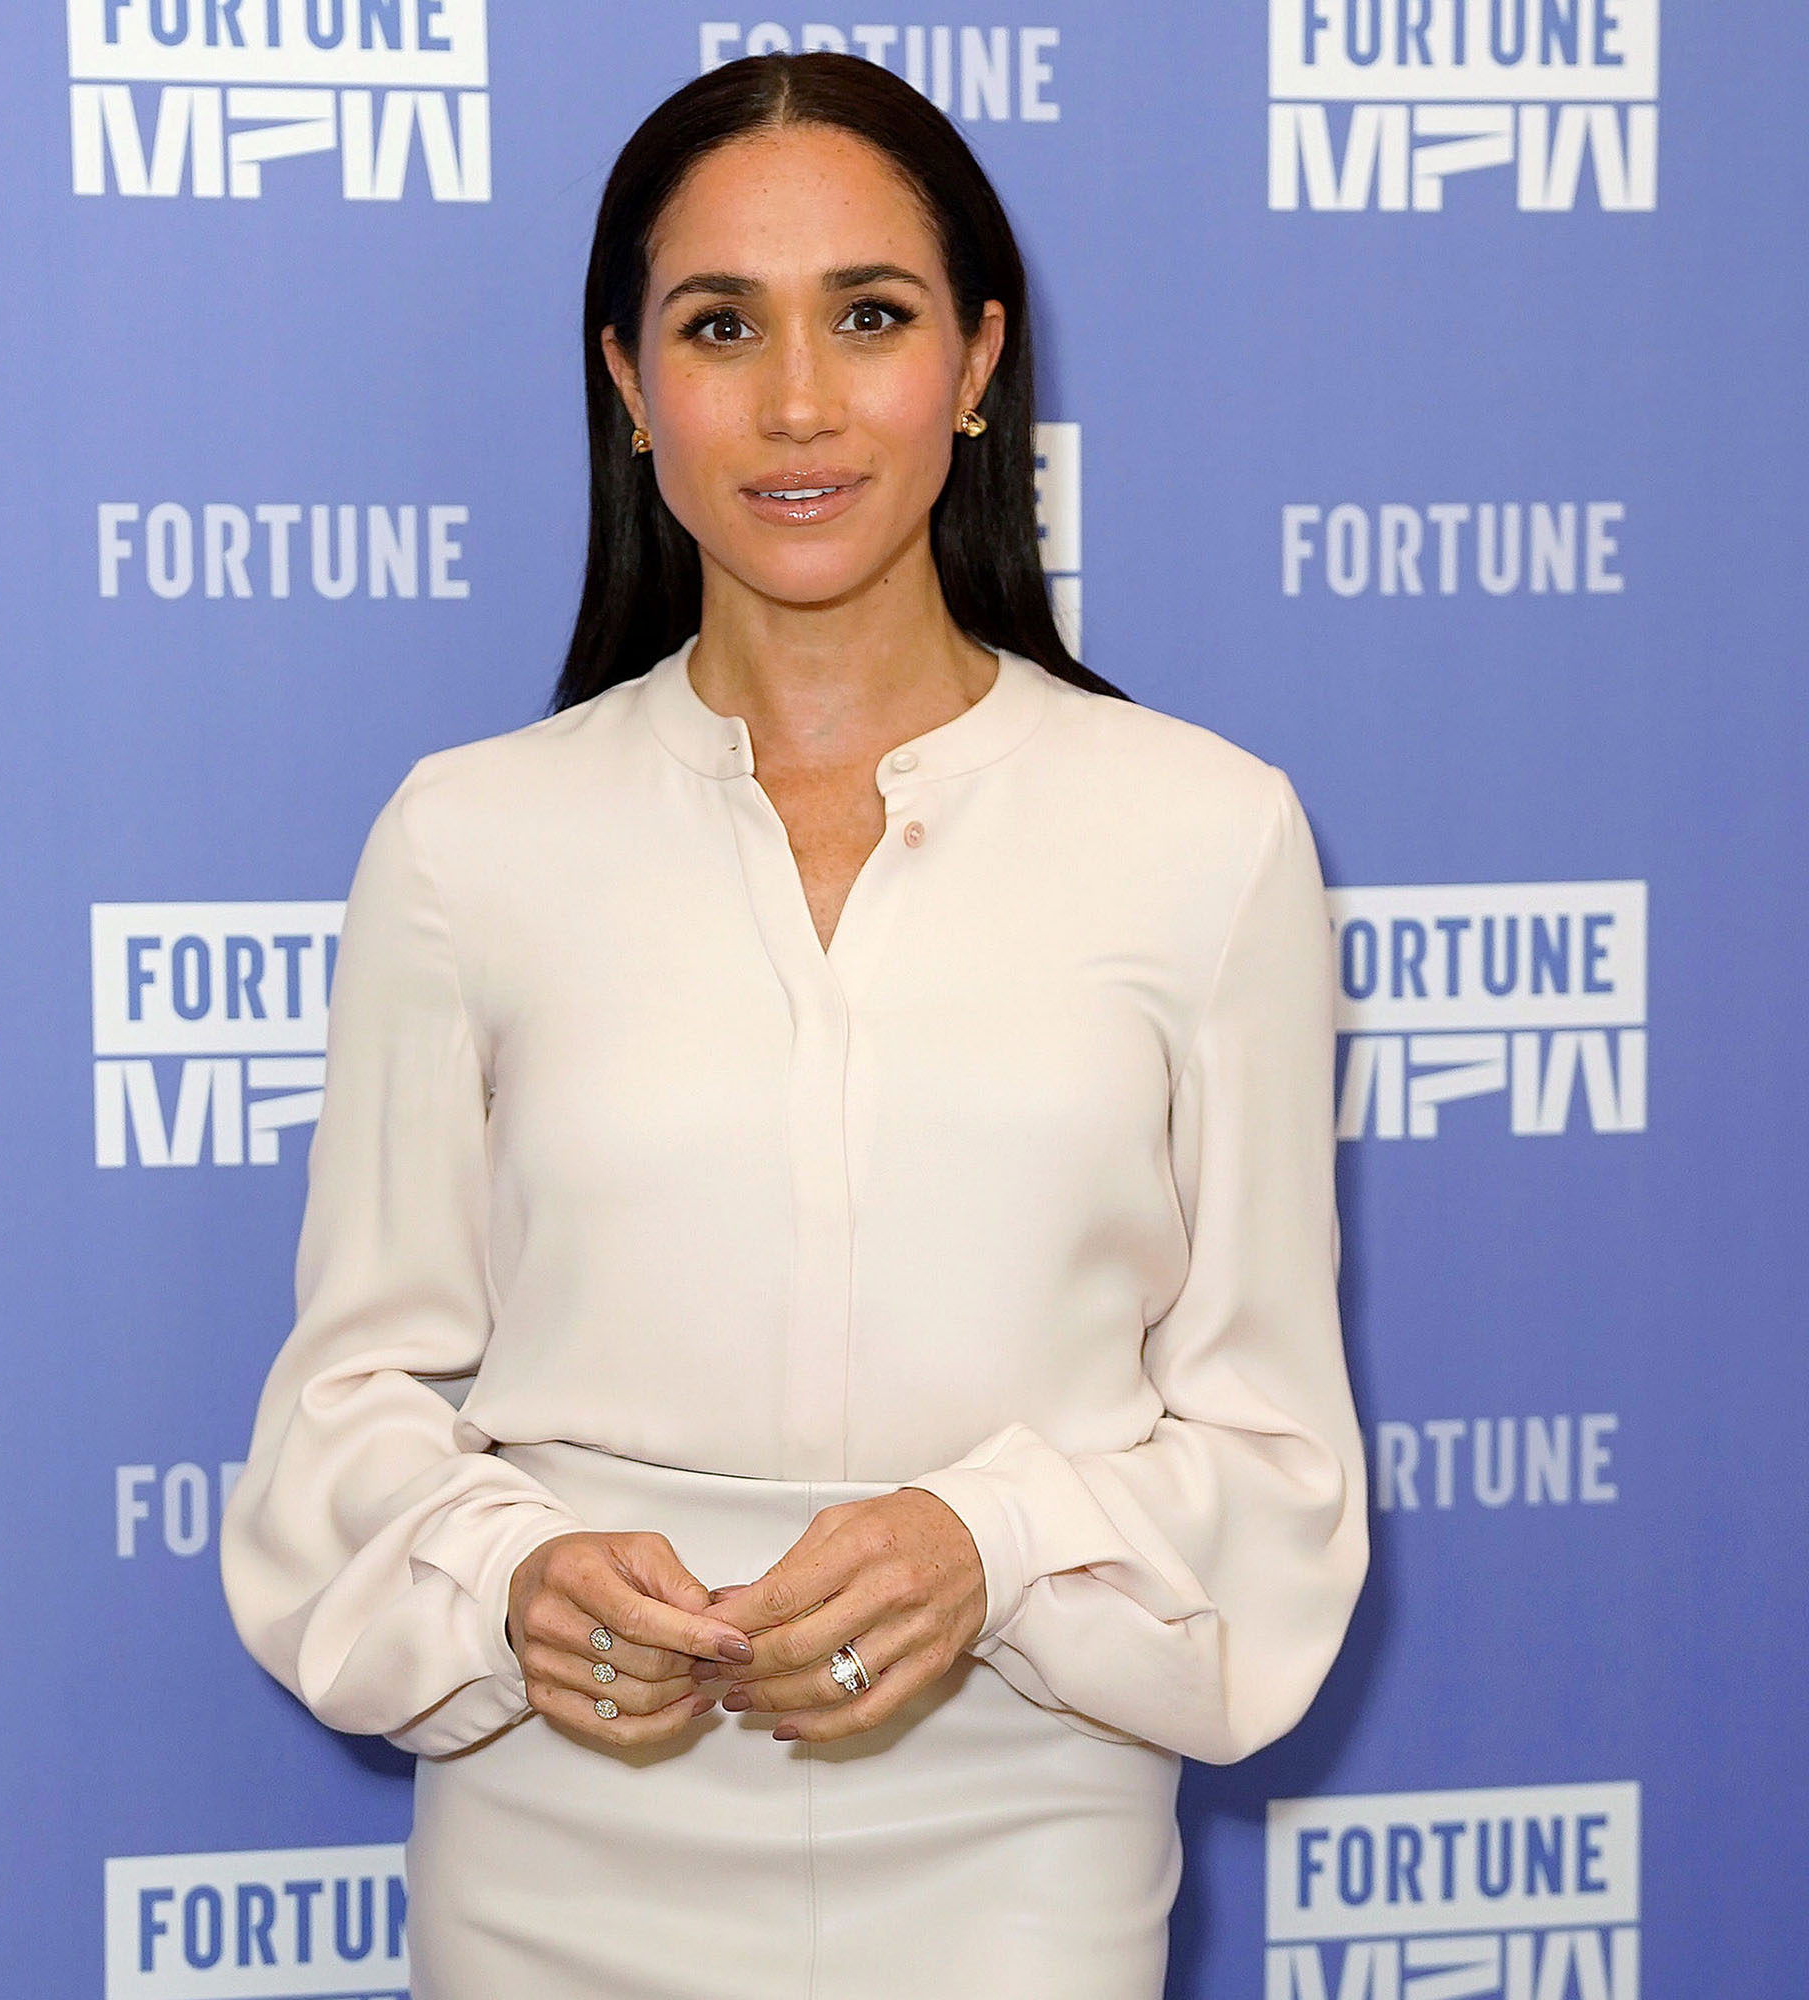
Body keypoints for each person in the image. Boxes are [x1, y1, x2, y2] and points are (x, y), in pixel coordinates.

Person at [219, 50, 1367, 2000]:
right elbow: (338, 1425)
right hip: (555, 1847)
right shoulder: (462, 842)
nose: (800, 400)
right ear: (626, 384)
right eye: (721, 327)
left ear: (980, 359)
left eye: (871, 315)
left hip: (1022, 1852)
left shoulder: (1212, 836)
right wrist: (506, 1577)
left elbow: (1275, 1466)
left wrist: (988, 1541)